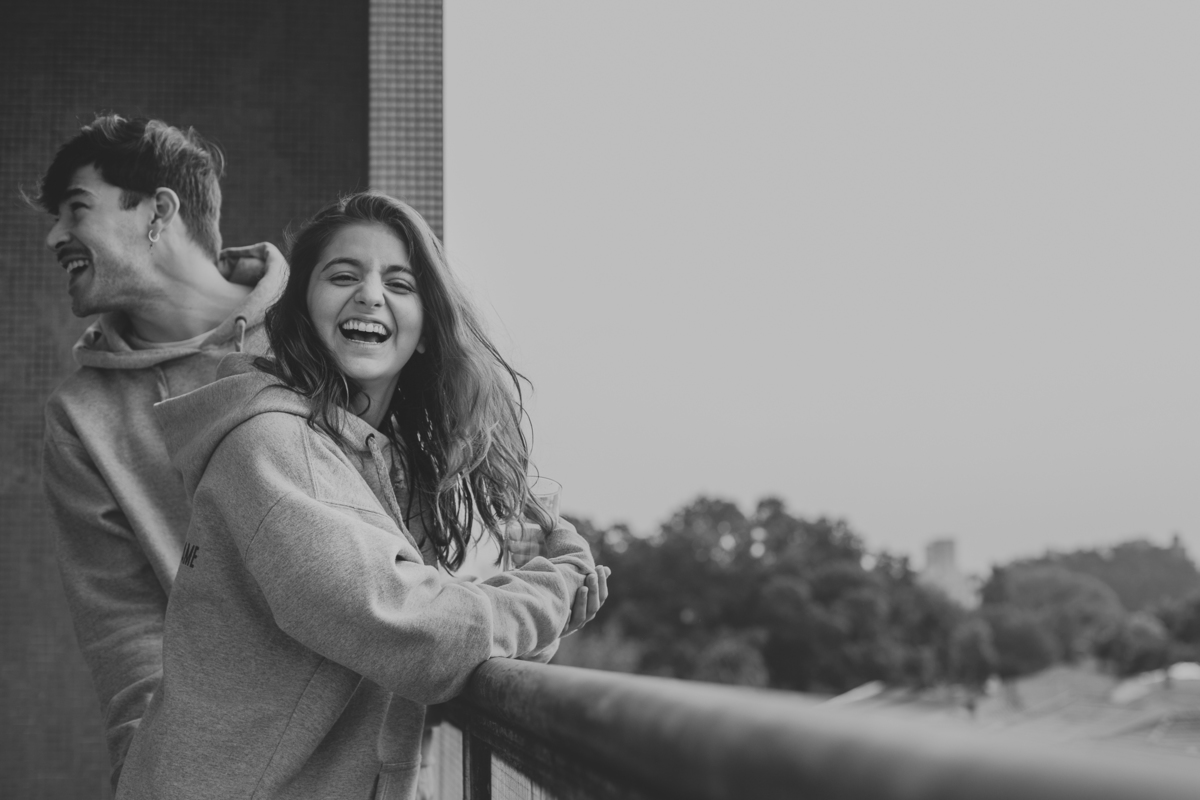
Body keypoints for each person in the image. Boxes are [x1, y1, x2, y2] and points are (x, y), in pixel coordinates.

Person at [114, 192, 604, 800]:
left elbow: (408, 628)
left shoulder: (363, 462)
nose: (370, 293)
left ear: (426, 330)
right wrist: (555, 586)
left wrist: (540, 618)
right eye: (343, 275)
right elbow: (414, 633)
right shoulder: (277, 449)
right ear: (300, 314)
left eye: (399, 283)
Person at [37, 114, 288, 789]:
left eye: (76, 210)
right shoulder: (80, 420)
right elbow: (127, 635)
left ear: (160, 212)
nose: (55, 235)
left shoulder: (320, 329)